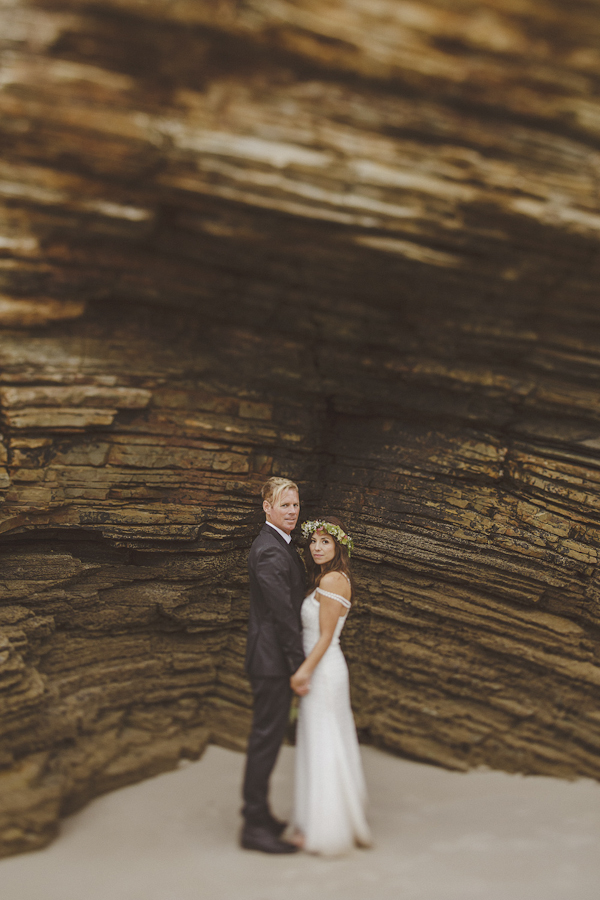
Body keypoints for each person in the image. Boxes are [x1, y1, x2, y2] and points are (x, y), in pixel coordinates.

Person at [290, 516, 372, 855]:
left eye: (325, 542)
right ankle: (317, 819)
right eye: (313, 542)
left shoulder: (335, 580)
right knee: (322, 740)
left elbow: (325, 636)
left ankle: (327, 829)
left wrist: (302, 672)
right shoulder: (323, 578)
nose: (317, 547)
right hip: (322, 668)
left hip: (323, 670)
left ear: (339, 546)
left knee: (324, 742)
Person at [241, 477, 309, 854]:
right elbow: (282, 614)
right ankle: (253, 825)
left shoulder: (279, 545)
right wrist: (299, 663)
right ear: (266, 507)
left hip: (271, 657)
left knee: (265, 739)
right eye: (284, 505)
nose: (292, 511)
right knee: (265, 741)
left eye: (296, 505)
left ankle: (261, 814)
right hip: (271, 661)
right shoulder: (269, 550)